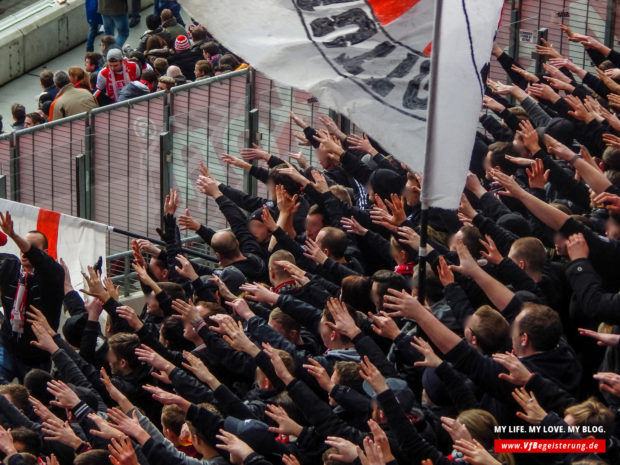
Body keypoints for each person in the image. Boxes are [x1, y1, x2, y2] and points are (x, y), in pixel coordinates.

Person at [0, 211, 64, 382]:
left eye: (31, 247)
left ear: (45, 251)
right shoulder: (9, 266)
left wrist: (13, 235)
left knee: (34, 401)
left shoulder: (53, 274)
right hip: (7, 345)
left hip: (37, 354)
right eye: (22, 245)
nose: (23, 250)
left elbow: (41, 261)